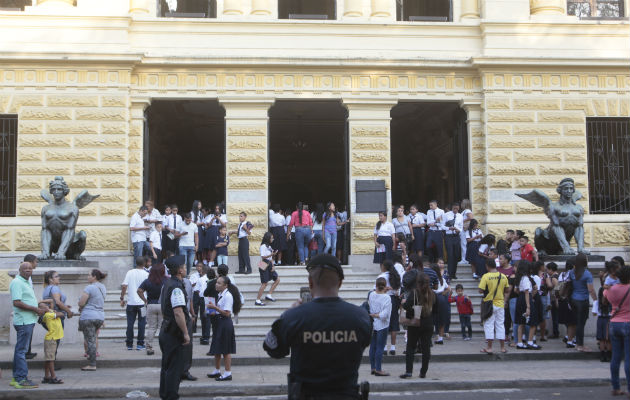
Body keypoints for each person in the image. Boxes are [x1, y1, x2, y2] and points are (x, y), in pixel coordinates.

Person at [263, 254, 371, 399]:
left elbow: (272, 348)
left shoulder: (295, 317)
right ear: (340, 283)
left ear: (310, 283)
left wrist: (285, 316)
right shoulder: (361, 317)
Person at [159, 256, 191, 400]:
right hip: (173, 333)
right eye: (184, 267)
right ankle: (171, 395)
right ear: (179, 270)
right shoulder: (176, 287)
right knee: (174, 368)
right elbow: (178, 312)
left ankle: (165, 394)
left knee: (167, 366)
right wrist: (185, 333)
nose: (185, 269)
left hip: (167, 330)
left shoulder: (169, 283)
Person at [10, 262, 46, 389]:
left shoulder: (26, 282)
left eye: (30, 268)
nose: (28, 271)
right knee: (21, 351)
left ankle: (16, 377)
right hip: (24, 321)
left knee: (19, 350)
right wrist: (35, 310)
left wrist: (40, 306)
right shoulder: (17, 282)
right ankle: (21, 379)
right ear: (20, 270)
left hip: (28, 320)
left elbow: (27, 299)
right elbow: (17, 302)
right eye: (25, 269)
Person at [400, 272, 437, 379]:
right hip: (428, 323)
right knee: (426, 348)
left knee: (411, 347)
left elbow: (406, 306)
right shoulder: (432, 294)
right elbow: (436, 309)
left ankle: (409, 371)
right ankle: (423, 372)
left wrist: (408, 307)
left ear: (417, 282)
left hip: (415, 323)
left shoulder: (415, 293)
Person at [207, 276, 242, 381]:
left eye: (219, 283)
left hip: (225, 323)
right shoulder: (220, 294)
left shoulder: (228, 296)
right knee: (217, 348)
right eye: (216, 282)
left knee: (226, 350)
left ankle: (227, 373)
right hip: (219, 322)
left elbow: (227, 313)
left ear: (225, 285)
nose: (216, 285)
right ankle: (217, 370)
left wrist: (215, 308)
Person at [604, 264, 630, 397]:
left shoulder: (613, 289)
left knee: (616, 357)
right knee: (628, 358)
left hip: (614, 323)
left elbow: (605, 295)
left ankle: (616, 387)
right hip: (628, 322)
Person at [78, 269, 107, 371]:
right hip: (99, 316)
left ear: (94, 277)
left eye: (89, 275)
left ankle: (92, 364)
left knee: (90, 340)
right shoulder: (102, 287)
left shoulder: (89, 287)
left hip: (89, 316)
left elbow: (81, 303)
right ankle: (92, 360)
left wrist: (81, 305)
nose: (87, 277)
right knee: (93, 339)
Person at [478, 259, 509, 354]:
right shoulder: (503, 276)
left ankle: (489, 347)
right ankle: (502, 347)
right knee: (500, 325)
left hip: (489, 303)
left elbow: (480, 290)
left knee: (489, 325)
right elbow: (507, 290)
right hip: (500, 303)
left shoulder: (486, 276)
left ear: (487, 266)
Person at [138, 263, 167, 355]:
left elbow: (139, 290)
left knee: (151, 328)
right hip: (162, 305)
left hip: (151, 305)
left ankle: (149, 347)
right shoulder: (166, 280)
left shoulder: (148, 281)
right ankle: (165, 347)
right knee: (163, 328)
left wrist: (145, 300)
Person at [570, 252, 597, 352]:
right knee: (581, 323)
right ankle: (580, 345)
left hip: (574, 299)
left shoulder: (572, 272)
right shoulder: (587, 274)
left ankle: (577, 343)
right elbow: (591, 289)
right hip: (582, 300)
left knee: (577, 322)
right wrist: (596, 300)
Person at [121, 256, 149, 351]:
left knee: (130, 324)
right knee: (142, 324)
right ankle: (140, 344)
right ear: (144, 263)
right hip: (142, 303)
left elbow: (124, 286)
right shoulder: (146, 274)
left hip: (131, 303)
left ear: (136, 263)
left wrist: (122, 297)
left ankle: (129, 344)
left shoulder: (130, 272)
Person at [514, 261, 542, 350]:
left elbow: (516, 290)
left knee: (521, 322)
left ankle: (519, 342)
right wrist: (528, 306)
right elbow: (527, 292)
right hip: (526, 298)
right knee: (533, 321)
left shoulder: (518, 278)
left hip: (520, 299)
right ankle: (530, 341)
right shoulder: (526, 278)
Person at [377, 260, 401, 355]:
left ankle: (384, 347)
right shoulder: (396, 276)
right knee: (394, 322)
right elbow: (399, 290)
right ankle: (393, 347)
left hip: (384, 299)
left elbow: (376, 290)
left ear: (384, 267)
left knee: (384, 322)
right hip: (394, 300)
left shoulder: (381, 277)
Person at [368, 277, 391, 376]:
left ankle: (373, 367)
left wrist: (373, 315)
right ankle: (378, 369)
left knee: (372, 346)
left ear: (376, 285)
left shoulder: (371, 295)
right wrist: (376, 315)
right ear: (385, 286)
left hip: (373, 323)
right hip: (382, 324)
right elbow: (384, 315)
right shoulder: (387, 297)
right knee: (380, 347)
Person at [41, 304, 64, 384]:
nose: (48, 307)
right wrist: (54, 311)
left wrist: (53, 311)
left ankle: (46, 376)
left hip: (52, 339)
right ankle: (53, 377)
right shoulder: (48, 315)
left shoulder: (49, 314)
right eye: (45, 307)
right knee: (51, 359)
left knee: (48, 359)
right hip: (51, 339)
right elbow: (61, 314)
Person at [256, 232, 281, 306]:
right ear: (268, 238)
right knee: (264, 283)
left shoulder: (269, 246)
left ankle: (269, 295)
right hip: (263, 263)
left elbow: (270, 258)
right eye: (271, 238)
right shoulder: (263, 246)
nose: (272, 239)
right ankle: (258, 300)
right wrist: (272, 254)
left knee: (277, 279)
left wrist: (273, 266)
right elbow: (263, 256)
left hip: (269, 263)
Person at [558, 258, 577, 347]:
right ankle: (570, 338)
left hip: (562, 299)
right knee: (572, 321)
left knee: (568, 320)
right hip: (570, 299)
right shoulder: (572, 274)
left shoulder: (562, 274)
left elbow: (557, 287)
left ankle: (568, 336)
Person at [595, 273, 612, 362]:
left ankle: (602, 355)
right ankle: (609, 354)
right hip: (609, 316)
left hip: (601, 316)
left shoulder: (601, 289)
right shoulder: (611, 290)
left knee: (601, 338)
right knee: (608, 338)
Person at [443, 202, 463, 278]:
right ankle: (450, 274)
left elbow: (461, 226)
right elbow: (442, 226)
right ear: (452, 208)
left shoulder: (460, 216)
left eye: (457, 209)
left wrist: (459, 230)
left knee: (456, 255)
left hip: (456, 236)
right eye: (454, 208)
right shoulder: (446, 215)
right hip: (449, 236)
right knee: (450, 255)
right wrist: (449, 228)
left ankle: (454, 274)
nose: (456, 210)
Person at [459, 199, 473, 264]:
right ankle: (464, 259)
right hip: (463, 230)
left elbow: (471, 218)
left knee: (463, 244)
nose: (461, 204)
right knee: (463, 244)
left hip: (464, 230)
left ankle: (464, 259)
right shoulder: (465, 211)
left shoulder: (467, 210)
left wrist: (462, 221)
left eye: (462, 203)